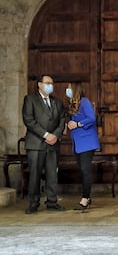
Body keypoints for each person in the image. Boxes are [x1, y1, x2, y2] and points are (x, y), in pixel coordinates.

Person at [22, 74, 66, 214]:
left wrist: (55, 135)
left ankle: (52, 202)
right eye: (47, 83)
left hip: (53, 144)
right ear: (39, 84)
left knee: (52, 174)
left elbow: (62, 120)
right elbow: (29, 120)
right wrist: (46, 135)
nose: (50, 86)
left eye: (51, 83)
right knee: (35, 174)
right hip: (36, 143)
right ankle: (33, 203)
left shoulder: (57, 102)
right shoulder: (30, 99)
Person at [65, 82, 100, 210]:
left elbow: (91, 118)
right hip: (78, 143)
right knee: (82, 170)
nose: (67, 90)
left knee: (86, 170)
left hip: (87, 142)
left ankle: (85, 199)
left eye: (69, 88)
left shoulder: (85, 102)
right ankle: (88, 196)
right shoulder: (73, 104)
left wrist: (78, 124)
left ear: (74, 89)